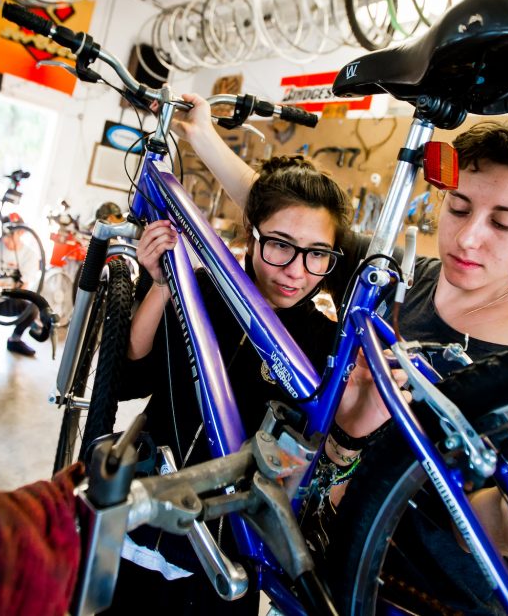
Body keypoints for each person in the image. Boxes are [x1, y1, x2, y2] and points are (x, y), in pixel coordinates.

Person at [166, 93, 508, 609]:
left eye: (503, 222)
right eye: (459, 207)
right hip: (333, 568)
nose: (468, 238)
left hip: (428, 599)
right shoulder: (395, 282)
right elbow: (287, 214)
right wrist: (201, 135)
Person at [110, 156, 351, 614]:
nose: (296, 271)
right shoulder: (199, 290)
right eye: (280, 245)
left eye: (318, 253)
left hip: (228, 554)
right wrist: (163, 285)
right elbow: (129, 378)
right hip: (143, 518)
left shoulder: (323, 345)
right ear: (251, 233)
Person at [0, 227, 43, 357]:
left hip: (7, 300)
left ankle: (15, 340)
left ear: (21, 232)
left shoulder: (29, 255)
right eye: (5, 234)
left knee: (32, 309)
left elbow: (23, 288)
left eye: (12, 235)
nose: (7, 239)